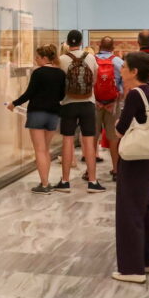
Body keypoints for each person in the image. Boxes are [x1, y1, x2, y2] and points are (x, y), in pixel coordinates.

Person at [112, 52, 149, 283]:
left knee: (129, 210)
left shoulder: (134, 94)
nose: (121, 70)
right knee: (143, 207)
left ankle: (132, 269)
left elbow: (120, 129)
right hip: (148, 158)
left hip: (135, 160)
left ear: (134, 72)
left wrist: (117, 125)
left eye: (124, 67)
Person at [9, 45, 66, 194]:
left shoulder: (38, 73)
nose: (35, 59)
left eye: (38, 57)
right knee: (45, 149)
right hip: (54, 113)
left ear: (45, 58)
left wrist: (14, 103)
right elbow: (62, 95)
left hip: (37, 113)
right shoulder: (60, 73)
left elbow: (29, 93)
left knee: (39, 150)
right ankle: (46, 182)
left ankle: (44, 184)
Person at [56, 31, 105, 193]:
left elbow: (60, 82)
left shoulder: (62, 59)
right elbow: (95, 80)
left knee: (67, 140)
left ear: (67, 42)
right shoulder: (90, 58)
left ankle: (65, 181)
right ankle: (92, 181)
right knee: (89, 141)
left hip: (68, 103)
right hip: (88, 103)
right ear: (81, 41)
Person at [94, 36, 124, 180]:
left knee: (92, 137)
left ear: (99, 46)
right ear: (113, 47)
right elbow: (123, 85)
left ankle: (90, 171)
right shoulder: (118, 61)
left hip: (94, 104)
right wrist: (117, 99)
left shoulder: (91, 60)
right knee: (113, 138)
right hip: (113, 104)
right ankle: (116, 170)